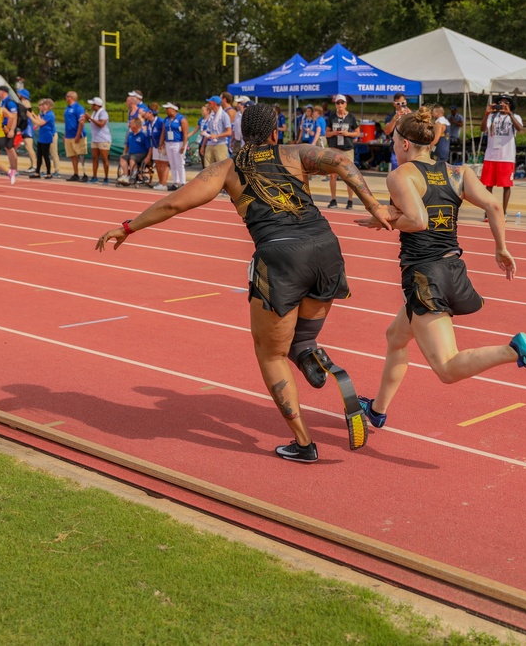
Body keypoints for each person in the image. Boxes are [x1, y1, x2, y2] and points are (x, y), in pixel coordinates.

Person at [96, 102, 394, 463]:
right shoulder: (295, 153)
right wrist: (375, 207)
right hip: (326, 250)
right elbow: (344, 163)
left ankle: (303, 444)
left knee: (270, 353)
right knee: (302, 339)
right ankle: (321, 362)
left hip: (281, 259)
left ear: (240, 133)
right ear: (274, 132)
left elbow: (174, 205)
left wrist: (128, 227)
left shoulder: (227, 169)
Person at [353, 107, 526, 431]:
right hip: (452, 267)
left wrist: (383, 220)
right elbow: (493, 205)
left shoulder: (401, 175)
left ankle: (514, 349)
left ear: (406, 144)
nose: (392, 145)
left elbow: (417, 220)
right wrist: (501, 248)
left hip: (424, 274)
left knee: (447, 368)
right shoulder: (458, 172)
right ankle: (377, 411)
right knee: (395, 337)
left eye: (394, 140)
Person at [479, 95, 522, 219]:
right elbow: (483, 129)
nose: (502, 104)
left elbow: (520, 128)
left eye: (506, 103)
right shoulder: (492, 116)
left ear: (510, 106)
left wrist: (510, 114)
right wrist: (487, 113)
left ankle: (504, 212)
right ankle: (488, 211)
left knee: (506, 185)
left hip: (506, 156)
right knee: (488, 185)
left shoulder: (515, 117)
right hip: (491, 156)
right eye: (500, 102)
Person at [325, 94, 361, 209]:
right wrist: (334, 133)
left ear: (345, 104)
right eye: (337, 103)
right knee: (332, 175)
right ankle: (333, 199)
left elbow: (357, 133)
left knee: (349, 175)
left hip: (347, 149)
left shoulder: (351, 117)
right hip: (334, 148)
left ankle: (350, 200)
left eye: (342, 102)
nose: (340, 105)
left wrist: (347, 134)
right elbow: (326, 133)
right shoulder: (332, 117)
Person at [160, 102, 188, 190]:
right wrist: (161, 143)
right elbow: (163, 132)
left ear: (173, 110)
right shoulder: (166, 119)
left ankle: (183, 182)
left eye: (167, 109)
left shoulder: (181, 119)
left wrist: (184, 145)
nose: (166, 110)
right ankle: (175, 182)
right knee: (172, 163)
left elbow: (185, 133)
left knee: (179, 163)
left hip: (178, 142)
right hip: (168, 142)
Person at [382, 93, 413, 170]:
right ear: (394, 104)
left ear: (406, 102)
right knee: (397, 170)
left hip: (411, 147)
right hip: (397, 148)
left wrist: (411, 114)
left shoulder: (412, 114)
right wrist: (395, 118)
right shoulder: (390, 116)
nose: (400, 105)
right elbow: (387, 131)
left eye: (403, 103)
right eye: (398, 103)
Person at [28, 98, 56, 179]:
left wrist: (30, 116)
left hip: (46, 136)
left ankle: (48, 173)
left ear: (49, 106)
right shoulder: (45, 114)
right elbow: (38, 121)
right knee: (39, 155)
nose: (43, 106)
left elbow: (39, 122)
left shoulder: (50, 115)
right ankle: (37, 172)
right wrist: (33, 114)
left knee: (45, 155)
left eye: (45, 105)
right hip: (42, 136)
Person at [63, 91, 88, 181]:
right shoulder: (67, 108)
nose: (65, 98)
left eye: (67, 96)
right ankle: (76, 173)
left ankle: (84, 173)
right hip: (69, 135)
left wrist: (78, 135)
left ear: (71, 97)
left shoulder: (78, 108)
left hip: (77, 135)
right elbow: (67, 123)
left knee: (80, 154)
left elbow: (81, 122)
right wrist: (65, 135)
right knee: (72, 155)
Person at [86, 97, 111, 184]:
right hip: (95, 139)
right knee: (94, 158)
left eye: (92, 104)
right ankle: (94, 177)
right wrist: (88, 118)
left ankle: (106, 178)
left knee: (104, 159)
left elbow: (101, 124)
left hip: (103, 139)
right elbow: (93, 122)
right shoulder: (94, 113)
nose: (91, 106)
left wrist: (90, 118)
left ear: (96, 105)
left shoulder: (103, 113)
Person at [0, 86, 20, 183]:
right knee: (8, 148)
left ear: (2, 92)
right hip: (4, 127)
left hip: (9, 128)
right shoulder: (2, 102)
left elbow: (14, 116)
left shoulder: (9, 102)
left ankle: (14, 169)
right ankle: (12, 168)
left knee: (10, 148)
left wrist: (12, 129)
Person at [118, 118, 151, 184]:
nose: (129, 125)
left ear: (135, 126)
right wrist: (124, 153)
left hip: (141, 154)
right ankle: (125, 175)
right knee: (122, 157)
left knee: (132, 158)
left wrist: (148, 157)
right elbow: (127, 145)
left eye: (131, 124)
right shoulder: (130, 134)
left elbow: (149, 147)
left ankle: (133, 175)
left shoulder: (144, 134)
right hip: (131, 153)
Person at [143, 103, 168, 190]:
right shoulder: (148, 123)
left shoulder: (160, 122)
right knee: (157, 163)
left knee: (163, 164)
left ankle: (164, 183)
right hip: (154, 146)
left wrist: (163, 144)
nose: (144, 114)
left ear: (150, 113)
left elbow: (165, 132)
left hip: (162, 145)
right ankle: (161, 182)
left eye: (146, 112)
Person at [202, 95, 232, 167]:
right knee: (207, 166)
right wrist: (203, 145)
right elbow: (209, 132)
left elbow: (229, 132)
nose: (208, 105)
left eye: (210, 103)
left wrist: (217, 136)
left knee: (222, 166)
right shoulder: (211, 116)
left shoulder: (224, 115)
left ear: (215, 104)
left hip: (220, 143)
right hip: (210, 143)